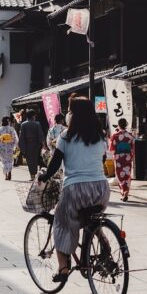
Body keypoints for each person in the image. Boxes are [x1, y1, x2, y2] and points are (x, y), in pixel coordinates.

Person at [37, 95, 110, 282]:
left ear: (72, 114)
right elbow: (100, 160)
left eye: (69, 110)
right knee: (91, 217)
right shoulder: (100, 136)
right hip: (101, 189)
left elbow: (54, 165)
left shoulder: (65, 136)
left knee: (61, 223)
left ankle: (63, 268)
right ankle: (102, 242)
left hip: (76, 189)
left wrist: (44, 176)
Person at [109, 118, 135, 202]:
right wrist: (131, 156)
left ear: (119, 125)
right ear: (126, 125)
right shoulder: (130, 136)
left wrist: (114, 155)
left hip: (118, 157)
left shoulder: (115, 136)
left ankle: (123, 192)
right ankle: (126, 191)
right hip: (127, 157)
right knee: (127, 175)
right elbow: (132, 148)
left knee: (120, 175)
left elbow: (112, 148)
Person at [18, 110, 46, 179]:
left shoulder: (23, 124)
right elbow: (40, 135)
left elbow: (21, 137)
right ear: (33, 116)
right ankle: (35, 174)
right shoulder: (37, 124)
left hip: (27, 145)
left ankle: (32, 175)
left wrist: (22, 147)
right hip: (36, 145)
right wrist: (44, 145)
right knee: (35, 159)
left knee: (29, 160)